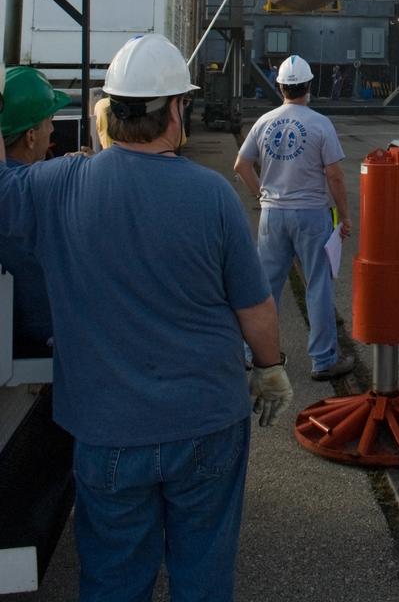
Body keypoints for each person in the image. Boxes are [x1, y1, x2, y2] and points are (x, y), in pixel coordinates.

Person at [0, 34, 291, 601]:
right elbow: (254, 308)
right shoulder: (212, 196)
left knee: (113, 578)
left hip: (107, 431)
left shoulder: (58, 186)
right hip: (207, 420)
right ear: (177, 110)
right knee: (202, 575)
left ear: (108, 110)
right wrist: (269, 367)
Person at [234, 54, 355, 381]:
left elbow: (241, 165)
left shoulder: (264, 122)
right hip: (311, 215)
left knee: (264, 289)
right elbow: (335, 175)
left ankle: (249, 353)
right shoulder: (319, 124)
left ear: (280, 86)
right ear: (309, 86)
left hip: (273, 216)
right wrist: (344, 216)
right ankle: (323, 359)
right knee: (317, 285)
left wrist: (261, 194)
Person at [0, 66, 71, 349]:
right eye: (49, 121)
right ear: (30, 136)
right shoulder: (42, 196)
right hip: (42, 336)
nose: (53, 129)